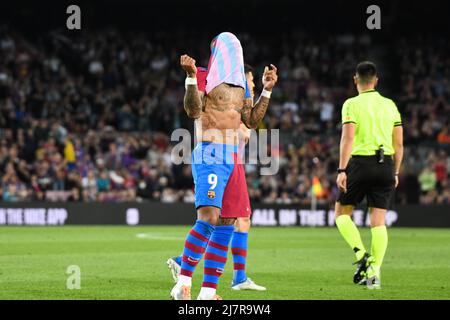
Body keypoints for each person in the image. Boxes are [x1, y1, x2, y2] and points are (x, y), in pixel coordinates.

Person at [170, 32, 277, 300]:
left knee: (227, 222)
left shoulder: (242, 86)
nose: (233, 52)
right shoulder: (205, 74)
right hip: (210, 152)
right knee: (208, 218)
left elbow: (251, 121)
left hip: (232, 156)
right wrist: (191, 77)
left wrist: (267, 89)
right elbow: (193, 111)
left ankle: (208, 292)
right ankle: (183, 284)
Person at [334, 61, 403, 289]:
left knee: (341, 213)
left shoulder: (351, 104)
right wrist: (395, 171)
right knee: (378, 222)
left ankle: (361, 255)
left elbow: (348, 138)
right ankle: (374, 275)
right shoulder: (390, 105)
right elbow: (399, 144)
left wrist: (342, 169)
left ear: (356, 80)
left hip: (360, 164)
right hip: (386, 165)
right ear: (376, 80)